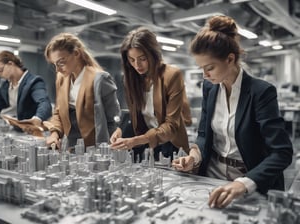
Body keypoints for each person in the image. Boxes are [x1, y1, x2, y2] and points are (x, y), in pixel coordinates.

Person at [172, 15, 293, 208]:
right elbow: (203, 135)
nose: (204, 75)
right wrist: (194, 158)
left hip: (248, 179)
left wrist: (243, 183)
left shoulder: (261, 92)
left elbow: (282, 152)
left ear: (230, 59)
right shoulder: (209, 88)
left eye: (209, 67)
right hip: (212, 176)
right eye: (201, 68)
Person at [109, 27, 192, 162]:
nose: (137, 65)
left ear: (153, 55)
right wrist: (121, 130)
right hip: (145, 145)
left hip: (171, 144)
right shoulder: (131, 78)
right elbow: (134, 113)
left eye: (142, 59)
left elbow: (171, 125)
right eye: (132, 60)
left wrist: (137, 140)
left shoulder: (172, 75)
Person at [44, 32, 121, 149]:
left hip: (96, 147)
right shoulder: (61, 78)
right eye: (54, 64)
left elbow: (113, 120)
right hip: (70, 145)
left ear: (76, 53)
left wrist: (107, 149)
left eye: (61, 62)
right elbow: (58, 112)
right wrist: (54, 134)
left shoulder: (100, 79)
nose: (57, 69)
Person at [0, 50, 52, 133]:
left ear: (11, 64)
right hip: (18, 129)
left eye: (0, 70)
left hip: (35, 130)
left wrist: (37, 118)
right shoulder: (6, 85)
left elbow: (44, 102)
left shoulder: (34, 82)